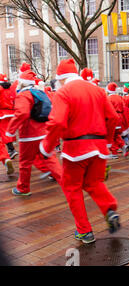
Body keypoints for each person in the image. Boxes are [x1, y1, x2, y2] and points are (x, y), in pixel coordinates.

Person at [39, 59, 121, 244]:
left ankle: (84, 230)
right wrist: (106, 142)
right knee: (94, 183)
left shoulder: (64, 92)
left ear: (61, 78)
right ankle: (110, 209)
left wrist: (46, 146)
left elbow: (58, 122)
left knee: (72, 187)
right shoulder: (98, 90)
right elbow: (113, 117)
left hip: (75, 148)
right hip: (99, 148)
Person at [5, 70, 62, 196]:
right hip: (43, 132)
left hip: (29, 135)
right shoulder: (40, 92)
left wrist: (10, 131)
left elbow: (22, 113)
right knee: (50, 159)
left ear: (22, 83)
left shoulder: (23, 95)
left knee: (25, 163)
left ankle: (23, 188)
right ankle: (66, 182)